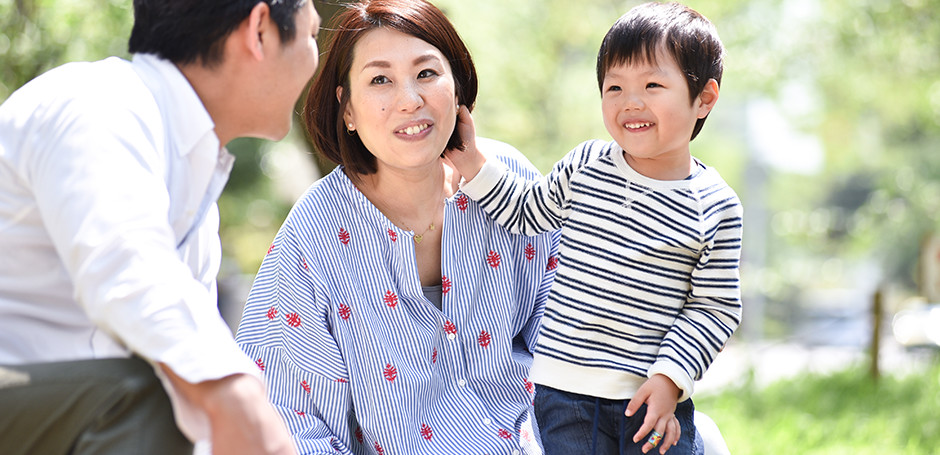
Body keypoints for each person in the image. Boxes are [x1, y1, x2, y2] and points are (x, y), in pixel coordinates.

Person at [234, 1, 559, 454]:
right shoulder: (316, 235)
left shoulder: (505, 178)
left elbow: (571, 330)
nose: (410, 100)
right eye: (380, 79)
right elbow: (285, 418)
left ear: (457, 87)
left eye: (427, 73)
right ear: (346, 109)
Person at [0, 1, 321, 454]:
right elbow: (126, 269)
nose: (315, 59)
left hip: (51, 411)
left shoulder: (196, 187)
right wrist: (237, 392)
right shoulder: (101, 105)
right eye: (311, 35)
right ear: (260, 31)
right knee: (155, 394)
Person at [445, 2, 743, 454]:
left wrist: (670, 379)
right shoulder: (586, 165)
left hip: (651, 399)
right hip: (564, 394)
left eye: (653, 85)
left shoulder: (715, 205)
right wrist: (472, 164)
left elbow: (713, 309)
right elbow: (528, 211)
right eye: (614, 87)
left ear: (704, 97)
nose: (630, 102)